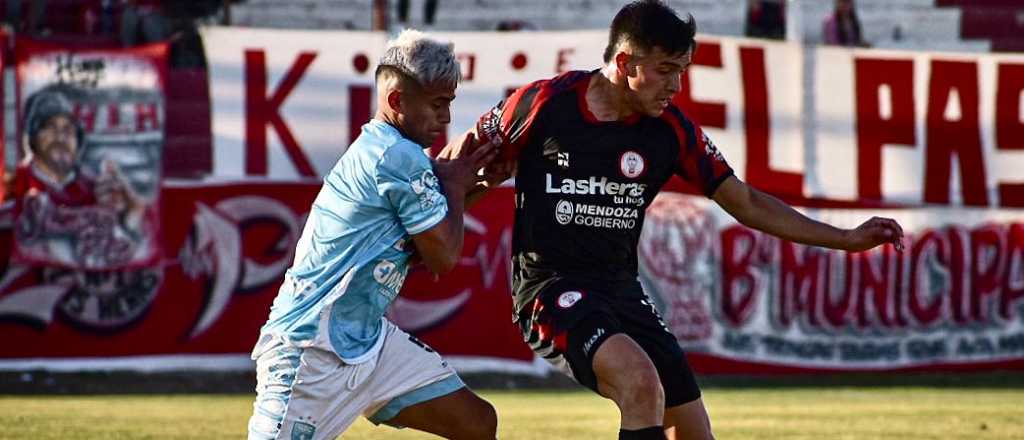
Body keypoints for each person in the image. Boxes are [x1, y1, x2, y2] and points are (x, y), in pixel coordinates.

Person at [451, 1, 904, 439]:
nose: (675, 86)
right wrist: (427, 224)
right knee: (640, 383)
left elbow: (744, 201)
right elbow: (461, 160)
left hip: (620, 289)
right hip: (550, 288)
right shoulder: (546, 103)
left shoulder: (672, 130)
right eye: (665, 71)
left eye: (681, 72)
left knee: (691, 432)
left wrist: (844, 238)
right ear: (625, 61)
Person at [247, 30, 501, 440]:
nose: (447, 119)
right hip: (310, 350)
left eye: (449, 104)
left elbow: (426, 244)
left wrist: (475, 184)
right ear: (397, 101)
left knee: (476, 422)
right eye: (438, 104)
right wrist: (456, 187)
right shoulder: (397, 156)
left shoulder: (390, 152)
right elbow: (443, 259)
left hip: (366, 339)